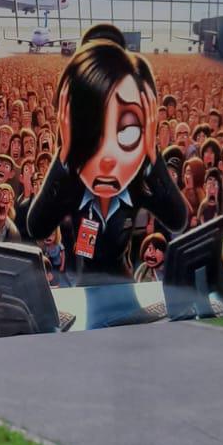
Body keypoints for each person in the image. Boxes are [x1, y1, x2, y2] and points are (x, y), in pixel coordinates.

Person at [24, 25, 187, 281]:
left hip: (123, 281)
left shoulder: (137, 180)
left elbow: (177, 218)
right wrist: (64, 154)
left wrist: (151, 153)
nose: (108, 159)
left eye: (128, 130)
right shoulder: (71, 179)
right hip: (85, 282)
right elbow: (37, 225)